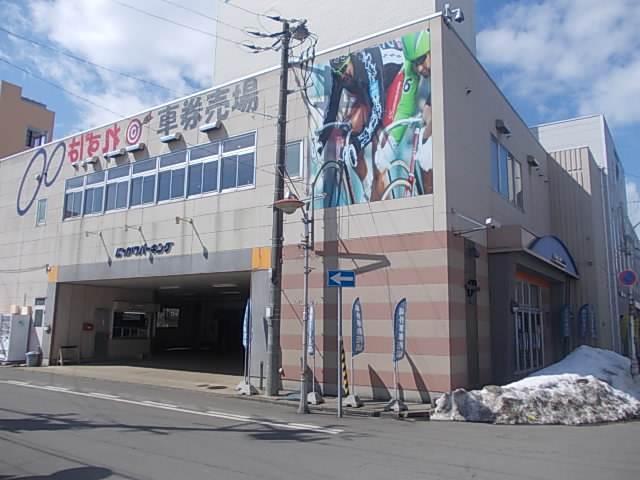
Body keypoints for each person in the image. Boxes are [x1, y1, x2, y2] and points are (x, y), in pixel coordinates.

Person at [316, 41, 404, 202]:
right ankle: (367, 186)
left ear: (352, 59)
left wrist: (358, 144)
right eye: (337, 73)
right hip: (366, 86)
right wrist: (321, 141)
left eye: (344, 69)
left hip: (391, 79)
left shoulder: (368, 58)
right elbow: (332, 107)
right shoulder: (339, 73)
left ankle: (381, 189)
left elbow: (377, 112)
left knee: (378, 155)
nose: (342, 75)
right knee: (348, 134)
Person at [375, 30, 433, 195]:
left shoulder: (442, 52)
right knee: (424, 125)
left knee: (428, 136)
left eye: (421, 60)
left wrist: (428, 136)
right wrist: (390, 145)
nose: (419, 68)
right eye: (415, 63)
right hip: (433, 93)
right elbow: (406, 106)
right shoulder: (411, 65)